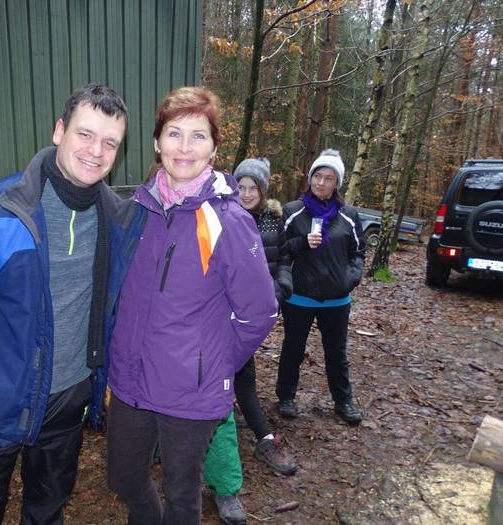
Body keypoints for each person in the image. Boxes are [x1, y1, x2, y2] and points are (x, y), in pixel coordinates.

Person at [0, 84, 146, 524]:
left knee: (46, 511)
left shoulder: (116, 221)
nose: (96, 151)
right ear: (59, 131)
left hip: (68, 400)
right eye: (85, 134)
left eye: (110, 142)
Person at [106, 87, 278, 525]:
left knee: (182, 494)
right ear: (156, 142)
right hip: (130, 377)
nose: (184, 147)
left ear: (214, 148)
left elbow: (259, 312)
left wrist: (211, 363)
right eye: (174, 133)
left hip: (190, 388)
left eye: (198, 136)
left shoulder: (228, 221)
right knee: (124, 478)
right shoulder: (137, 210)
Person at [203, 158, 297, 525]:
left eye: (252, 188)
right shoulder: (215, 215)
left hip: (246, 321)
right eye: (240, 186)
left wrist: (278, 288)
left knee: (237, 387)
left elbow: (283, 258)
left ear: (263, 191)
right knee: (235, 386)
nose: (245, 193)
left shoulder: (270, 221)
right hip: (212, 323)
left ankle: (259, 444)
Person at [276, 149, 365, 425]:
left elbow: (358, 253)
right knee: (293, 349)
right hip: (300, 297)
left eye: (328, 178)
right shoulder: (292, 212)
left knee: (336, 353)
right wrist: (302, 242)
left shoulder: (349, 215)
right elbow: (279, 250)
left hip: (336, 300)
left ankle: (343, 401)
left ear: (337, 183)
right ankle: (286, 397)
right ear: (310, 177)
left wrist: (349, 280)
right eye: (317, 176)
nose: (321, 182)